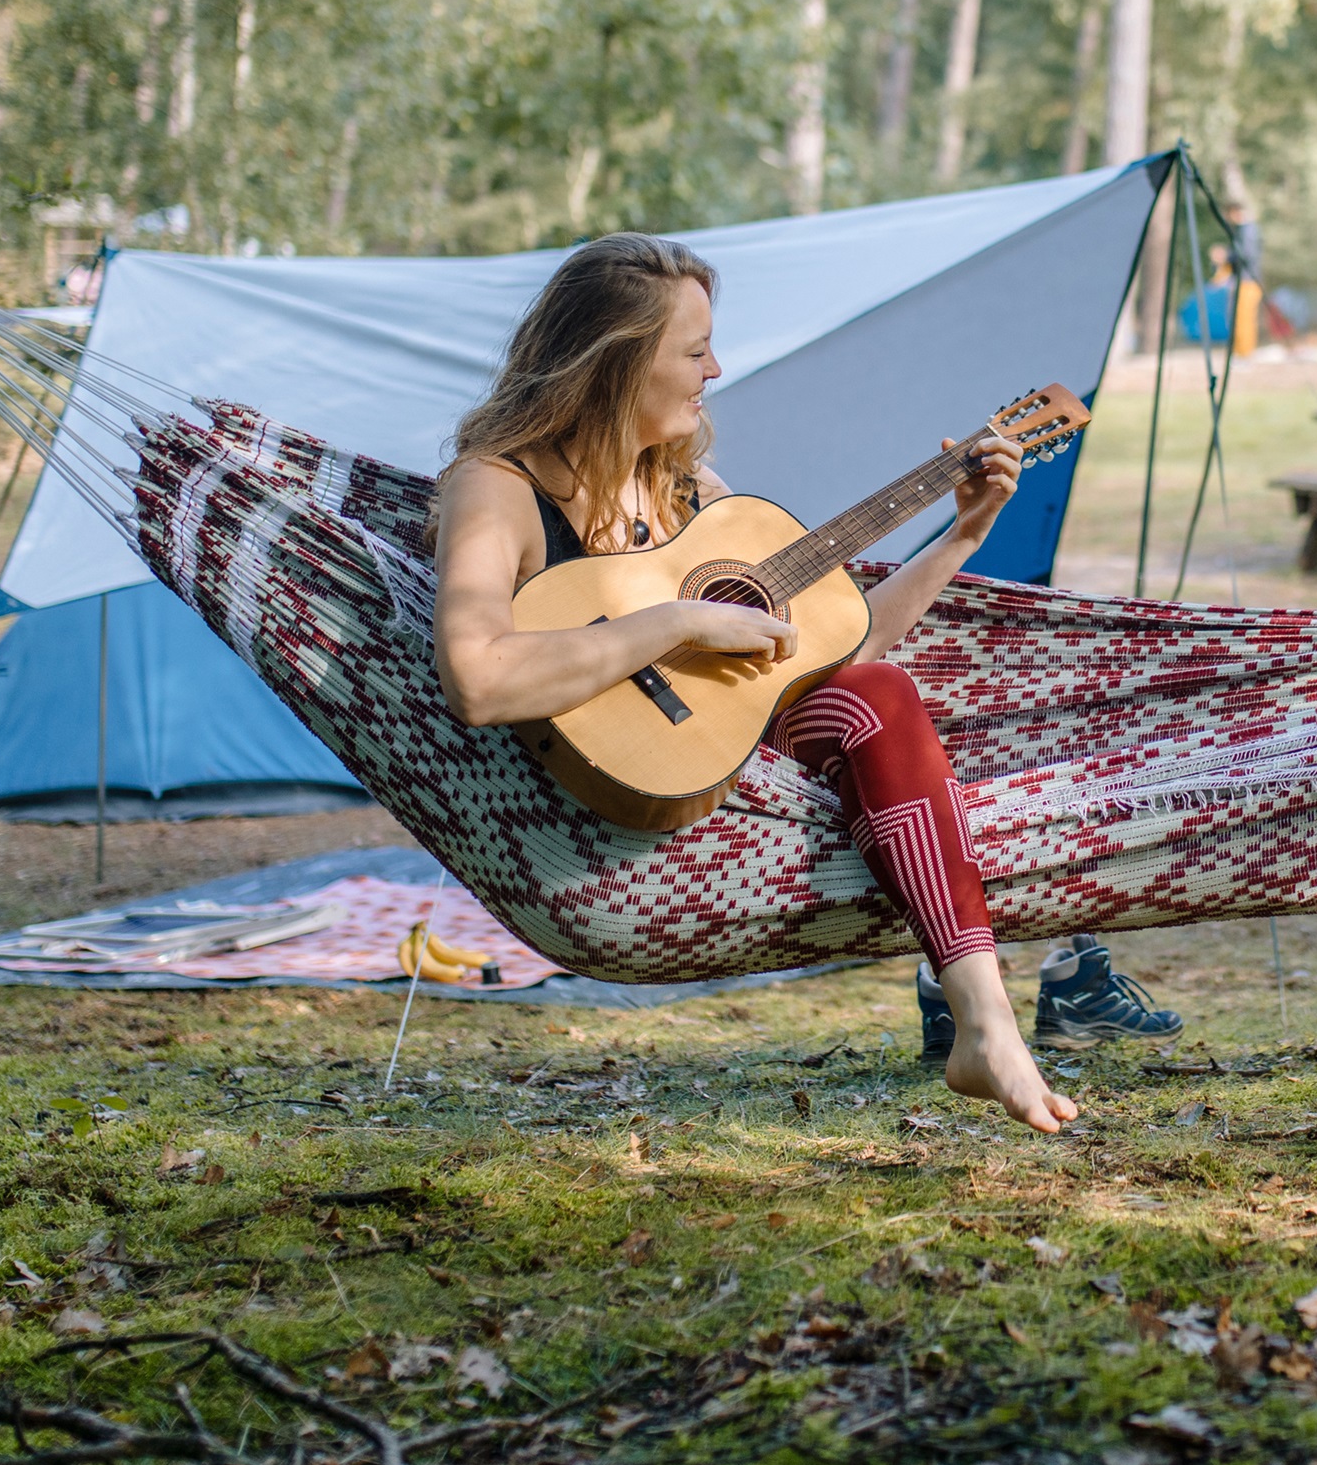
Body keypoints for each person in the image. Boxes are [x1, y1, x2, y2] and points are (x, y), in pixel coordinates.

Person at [429, 233, 1081, 1133]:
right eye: (694, 352)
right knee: (875, 696)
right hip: (596, 802)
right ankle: (982, 1021)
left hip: (729, 756)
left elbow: (838, 645)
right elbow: (476, 679)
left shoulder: (693, 493)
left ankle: (984, 1021)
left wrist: (965, 533)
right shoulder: (497, 488)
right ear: (618, 363)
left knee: (879, 694)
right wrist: (680, 621)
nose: (717, 369)